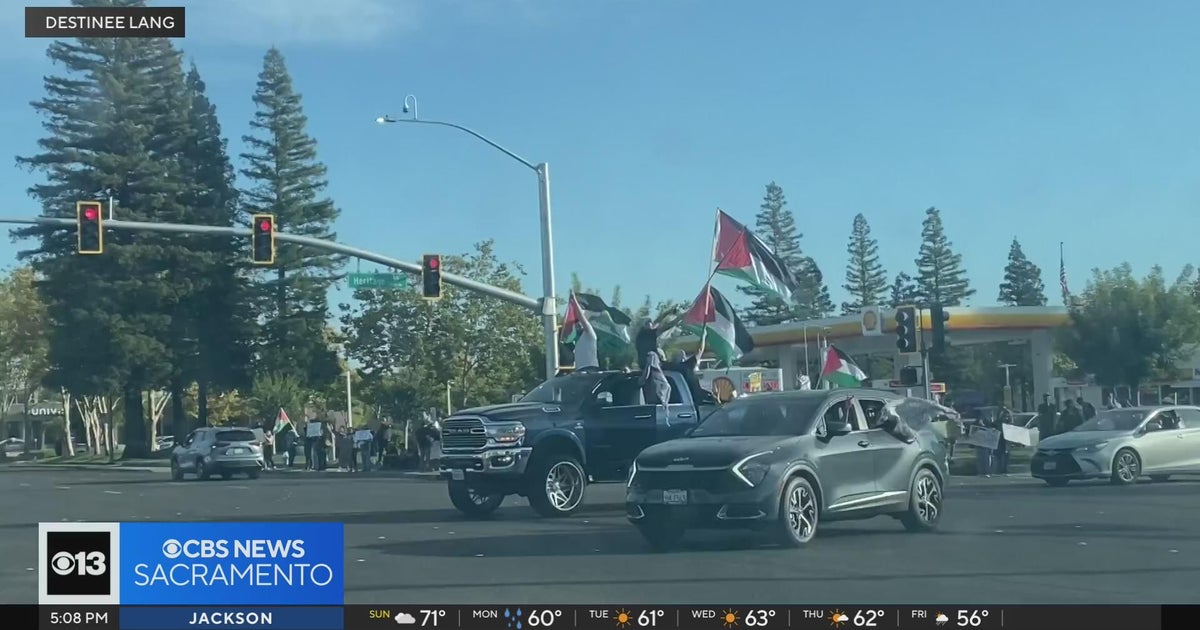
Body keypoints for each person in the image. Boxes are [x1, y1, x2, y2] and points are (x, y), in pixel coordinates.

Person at [640, 348, 672, 412]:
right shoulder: (647, 371)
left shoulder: (657, 372)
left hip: (658, 406)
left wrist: (663, 399)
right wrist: (648, 366)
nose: (648, 358)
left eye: (650, 357)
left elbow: (666, 386)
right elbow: (641, 381)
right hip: (648, 405)